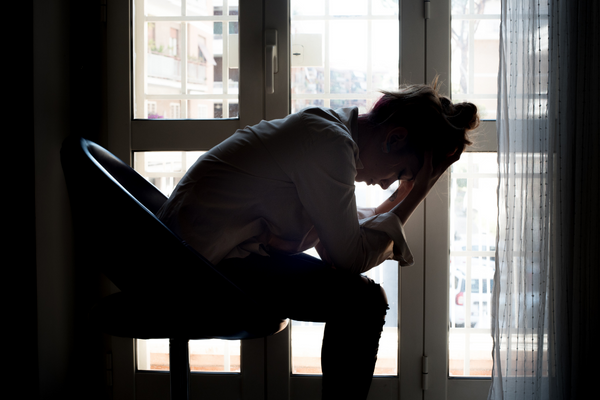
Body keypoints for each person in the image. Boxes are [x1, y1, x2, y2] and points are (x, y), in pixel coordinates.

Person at [156, 81, 479, 399]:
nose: (386, 185)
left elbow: (342, 237)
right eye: (400, 174)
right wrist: (418, 191)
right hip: (192, 272)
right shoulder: (328, 143)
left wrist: (407, 192)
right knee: (363, 302)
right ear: (394, 138)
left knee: (362, 297)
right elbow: (347, 256)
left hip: (213, 260)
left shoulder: (329, 134)